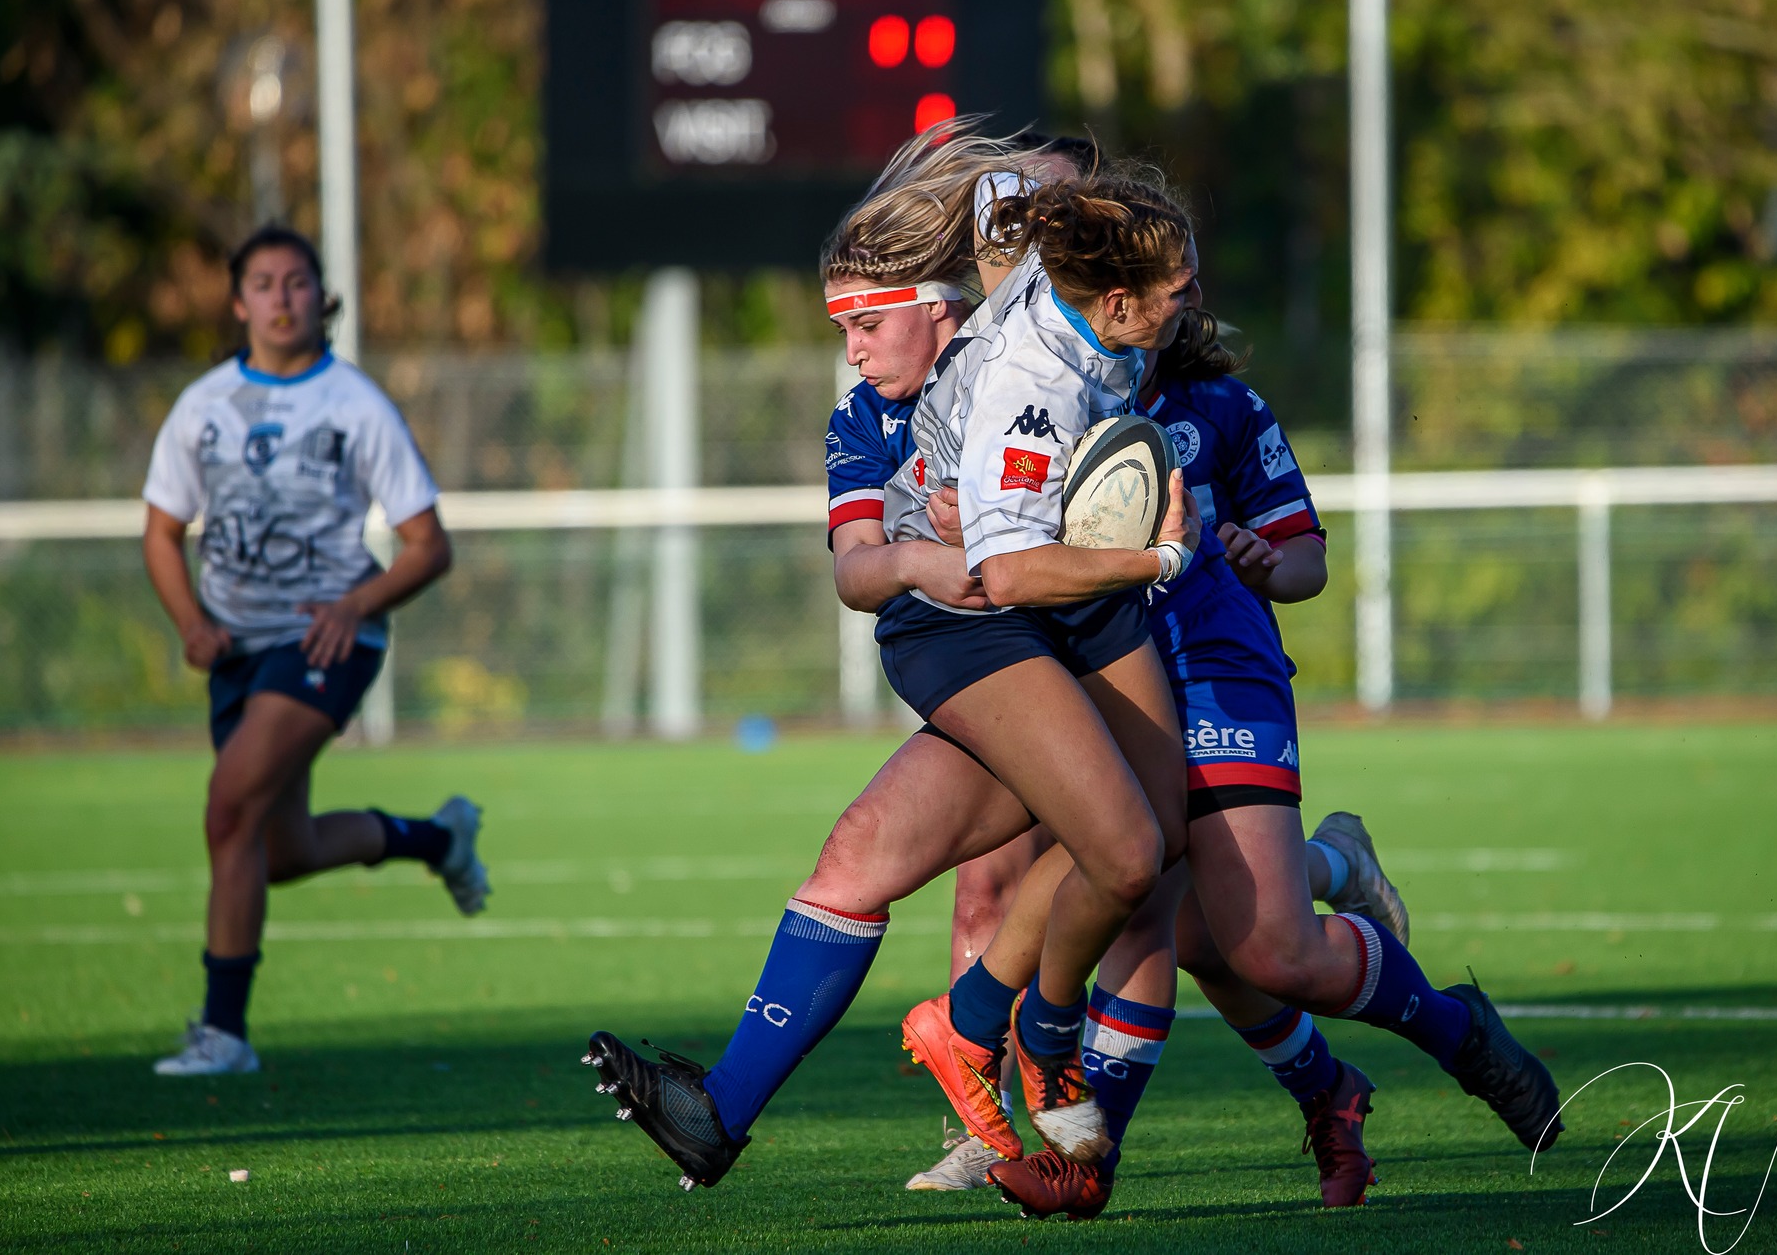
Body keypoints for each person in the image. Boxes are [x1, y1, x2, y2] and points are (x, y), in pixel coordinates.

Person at [583, 136, 1205, 1193]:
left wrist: (1066, 203)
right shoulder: (866, 417)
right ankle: (761, 1097)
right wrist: (927, 551)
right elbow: (857, 571)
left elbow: (1036, 194)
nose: (853, 350)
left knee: (1128, 842)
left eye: (866, 323)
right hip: (975, 627)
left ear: (937, 305)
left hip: (1060, 611)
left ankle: (956, 1058)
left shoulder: (1023, 311)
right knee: (910, 857)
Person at [917, 314, 1564, 1218]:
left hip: (1216, 666)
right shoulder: (1027, 391)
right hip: (1095, 670)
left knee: (1262, 947)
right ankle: (1112, 1153)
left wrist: (1266, 560)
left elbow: (1306, 561)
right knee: (1179, 923)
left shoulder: (1221, 406)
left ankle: (1456, 1031)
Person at [141, 226, 486, 1076]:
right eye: (263, 283)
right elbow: (159, 530)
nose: (282, 297)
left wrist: (355, 603)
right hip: (236, 651)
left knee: (228, 809)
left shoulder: (354, 403)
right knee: (274, 847)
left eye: (297, 282)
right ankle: (438, 841)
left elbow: (427, 544)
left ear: (319, 296)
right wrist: (190, 620)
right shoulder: (204, 405)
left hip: (325, 641)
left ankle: (223, 1032)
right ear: (238, 301)